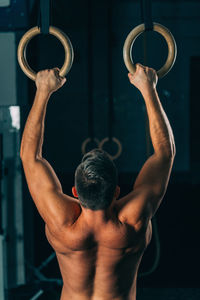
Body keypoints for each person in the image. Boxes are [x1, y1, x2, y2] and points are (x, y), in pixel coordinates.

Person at [20, 64, 175, 300]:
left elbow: (29, 156)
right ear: (117, 192)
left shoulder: (62, 222)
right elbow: (165, 153)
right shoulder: (133, 220)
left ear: (74, 192)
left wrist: (43, 90)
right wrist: (148, 88)